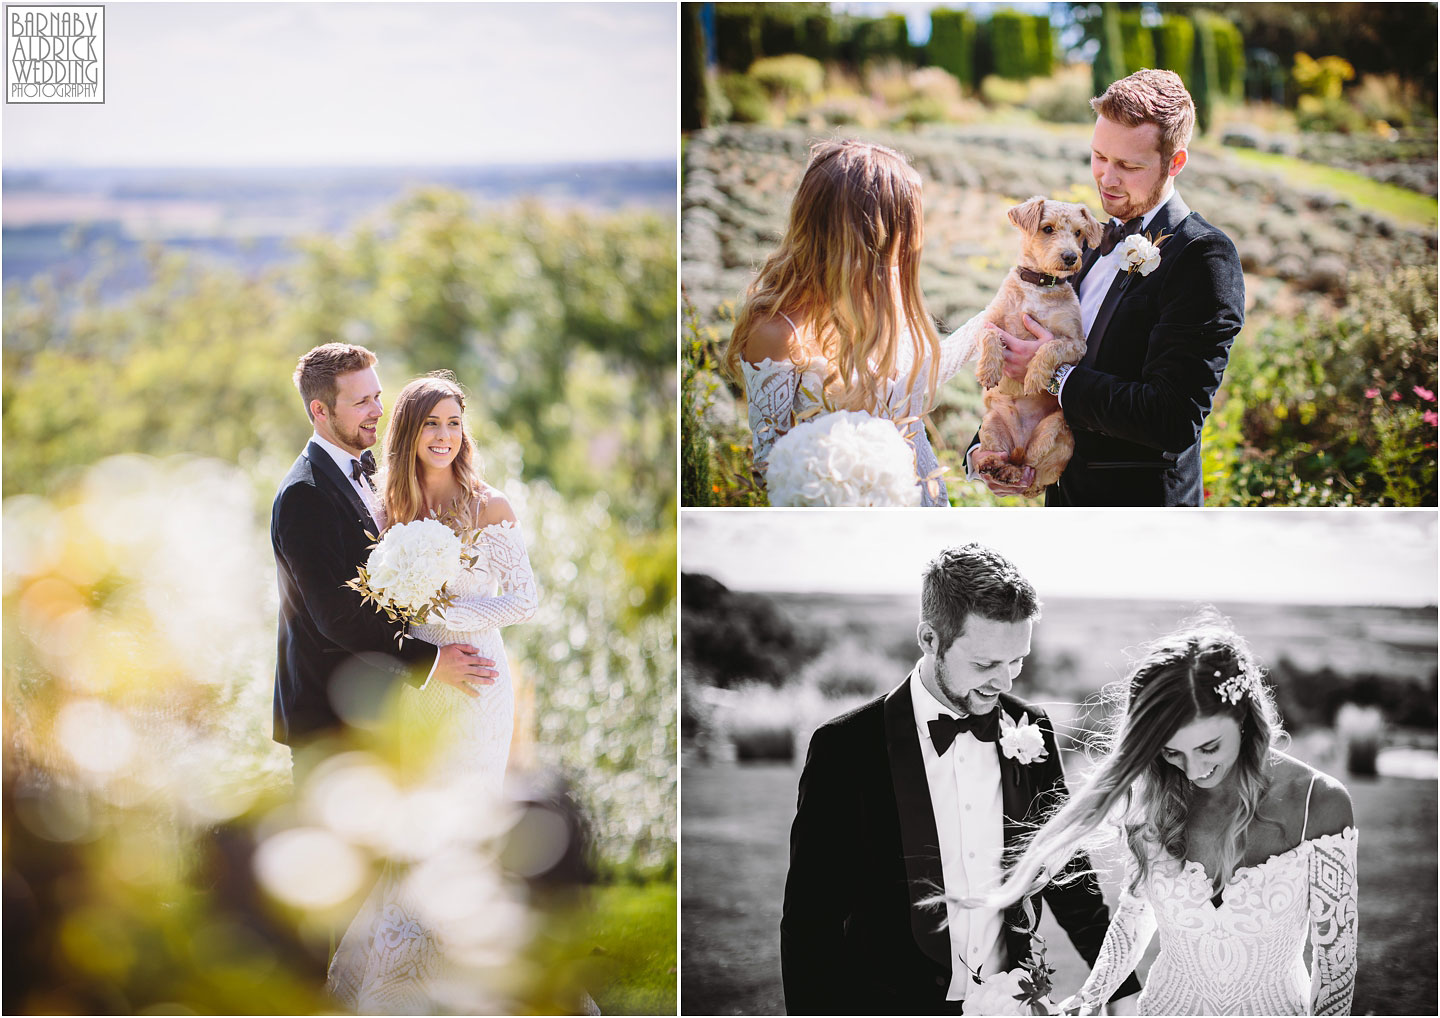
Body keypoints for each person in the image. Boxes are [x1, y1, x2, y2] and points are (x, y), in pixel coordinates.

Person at [780, 544, 1141, 1014]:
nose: (1005, 683)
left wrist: (1121, 987)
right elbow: (811, 919)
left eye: (1017, 661)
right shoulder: (846, 748)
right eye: (986, 664)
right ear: (930, 640)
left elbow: (1067, 874)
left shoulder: (1032, 731)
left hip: (1006, 1002)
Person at [985, 613, 1358, 1016]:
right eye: (1171, 751)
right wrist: (1087, 1002)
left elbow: (1336, 970)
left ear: (1244, 717)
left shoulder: (1318, 803)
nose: (1195, 771)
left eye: (1209, 747)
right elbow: (1132, 922)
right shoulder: (1156, 796)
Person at [326, 371, 541, 1014]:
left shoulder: (489, 505)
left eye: (453, 423)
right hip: (421, 684)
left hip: (478, 682)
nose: (444, 436)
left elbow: (524, 600)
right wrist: (426, 637)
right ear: (409, 434)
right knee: (417, 812)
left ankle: (470, 963)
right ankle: (399, 976)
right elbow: (379, 611)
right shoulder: (388, 509)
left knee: (467, 810)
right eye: (431, 424)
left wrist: (448, 618)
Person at [973, 69, 1245, 506]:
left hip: (1136, 515)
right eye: (1099, 156)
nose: (1107, 178)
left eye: (1129, 165)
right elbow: (1019, 359)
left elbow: (1173, 418)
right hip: (1062, 503)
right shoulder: (1083, 241)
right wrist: (989, 452)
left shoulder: (1204, 257)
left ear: (1174, 163)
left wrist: (1056, 375)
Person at [724, 139, 984, 506]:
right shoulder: (777, 332)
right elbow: (774, 464)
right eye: (907, 223)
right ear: (868, 233)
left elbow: (911, 386)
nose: (914, 240)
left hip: (925, 498)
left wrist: (992, 320)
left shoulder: (883, 296)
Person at [271, 344, 497, 754]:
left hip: (382, 711)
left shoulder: (372, 468)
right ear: (320, 411)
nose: (378, 410)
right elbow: (335, 616)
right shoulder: (304, 494)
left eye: (377, 396)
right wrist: (429, 661)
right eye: (361, 402)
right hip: (331, 720)